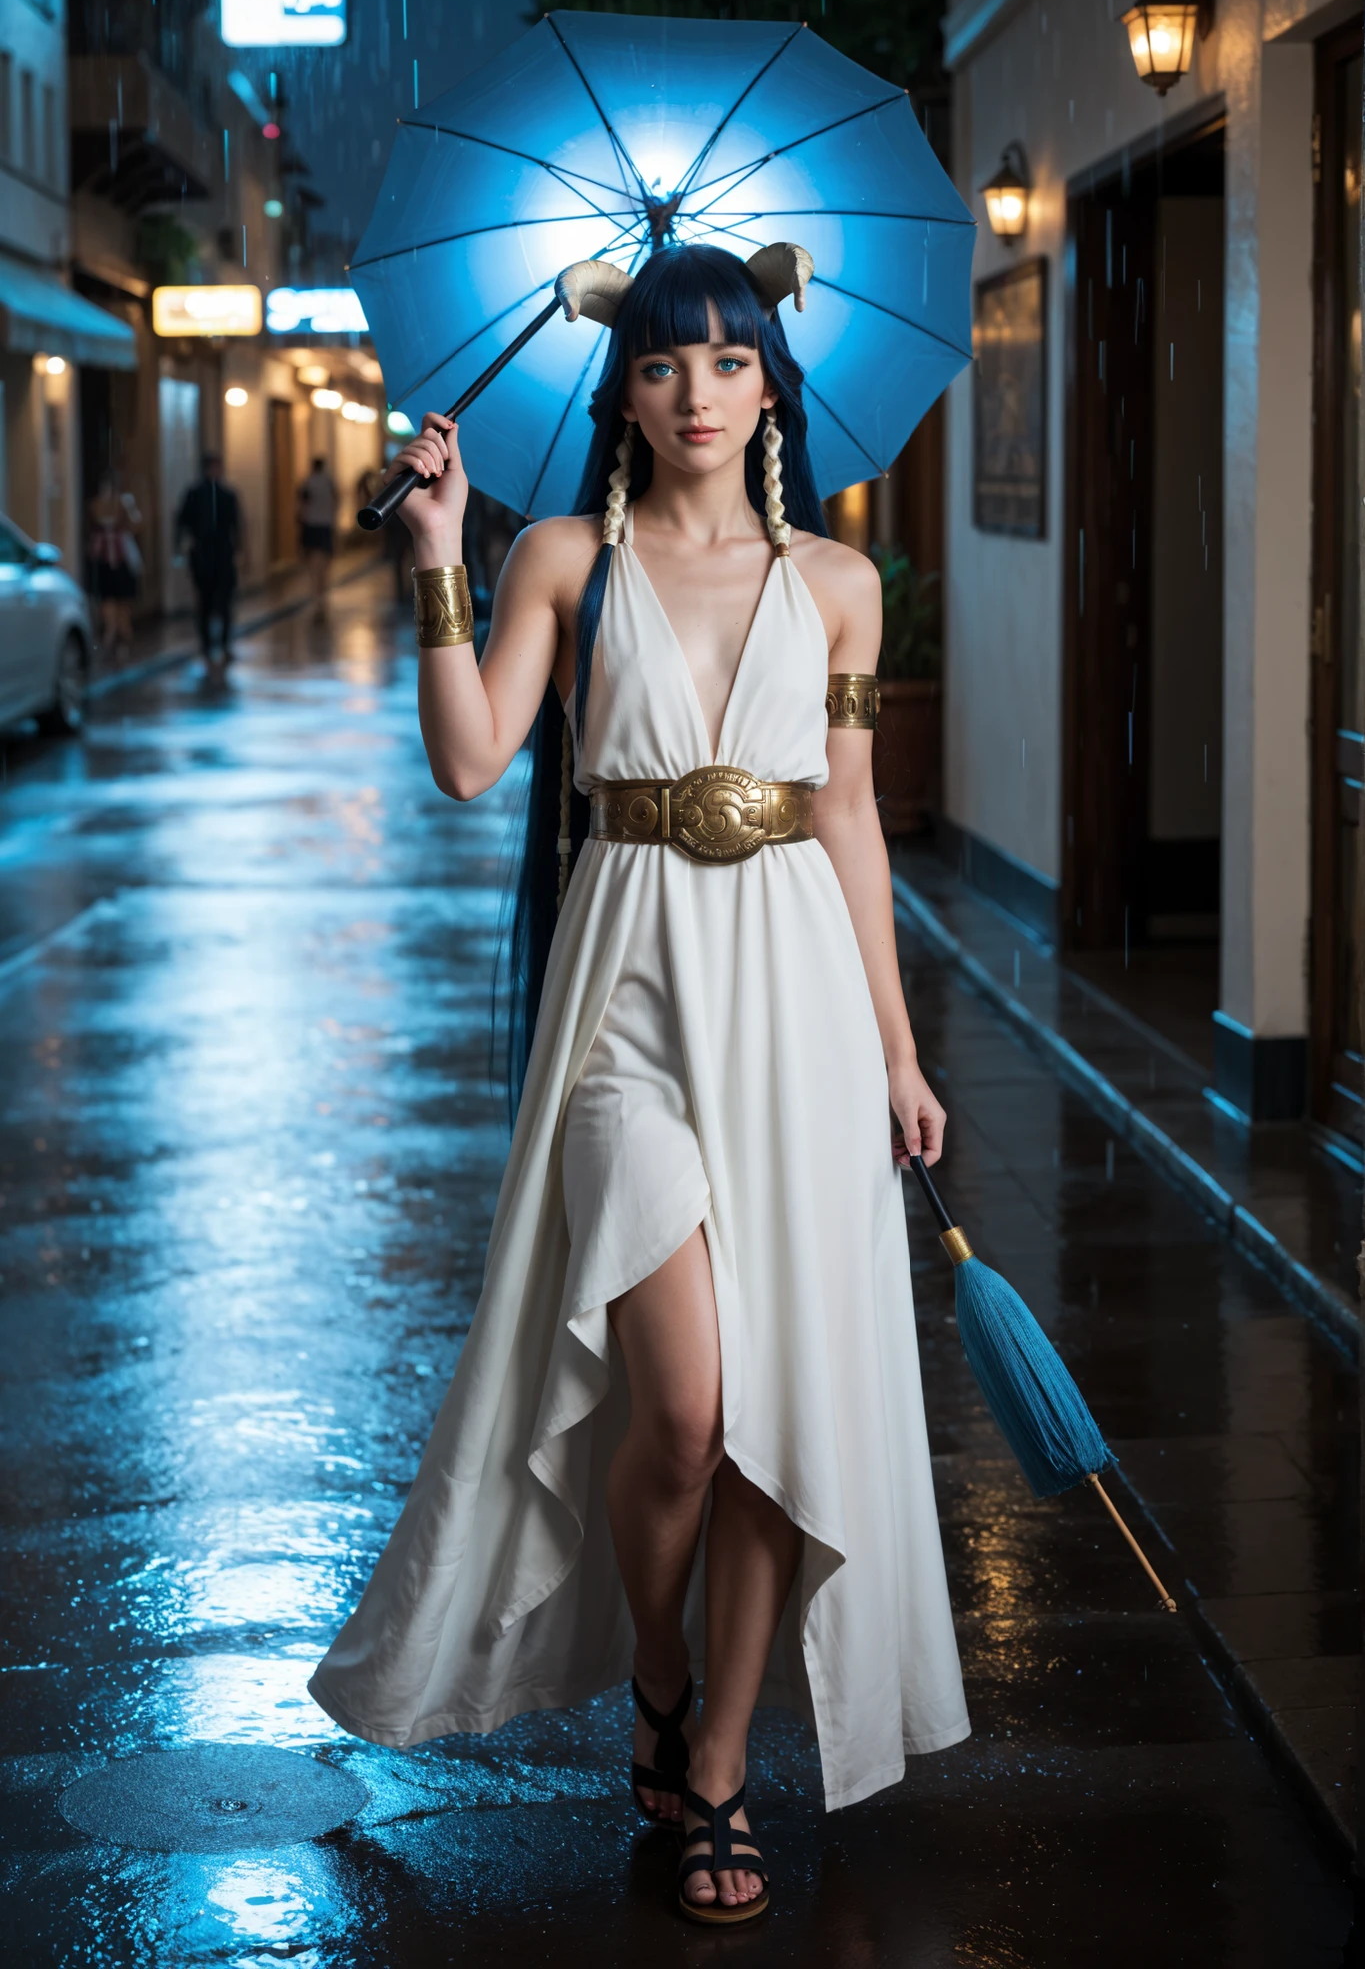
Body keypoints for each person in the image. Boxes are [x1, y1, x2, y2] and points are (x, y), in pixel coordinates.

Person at [307, 245, 969, 1925]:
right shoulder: (561, 558)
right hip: (627, 1001)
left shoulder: (838, 582)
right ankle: (657, 1676)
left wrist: (897, 1050)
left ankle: (719, 1758)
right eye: (664, 363)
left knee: (774, 1414)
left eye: (730, 361)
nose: (697, 392)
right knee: (679, 1412)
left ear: (772, 389)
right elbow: (470, 762)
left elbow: (849, 818)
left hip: (801, 1005)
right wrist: (437, 561)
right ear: (626, 390)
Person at [176, 454, 242, 667]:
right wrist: (181, 549)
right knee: (204, 601)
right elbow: (182, 522)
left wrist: (241, 550)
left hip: (223, 554)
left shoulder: (227, 495)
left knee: (224, 601)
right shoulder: (194, 495)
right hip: (203, 554)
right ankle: (206, 645)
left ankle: (223, 643)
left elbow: (237, 525)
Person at [86, 471, 142, 662]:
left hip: (120, 557)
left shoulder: (124, 503)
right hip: (105, 559)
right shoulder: (95, 505)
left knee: (123, 605)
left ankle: (122, 640)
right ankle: (111, 636)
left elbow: (135, 524)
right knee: (108, 601)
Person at [297, 454, 337, 619]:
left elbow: (302, 507)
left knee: (313, 568)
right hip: (326, 526)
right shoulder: (329, 483)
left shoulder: (308, 483)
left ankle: (316, 601)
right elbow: (335, 503)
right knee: (324, 567)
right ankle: (323, 598)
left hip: (312, 527)